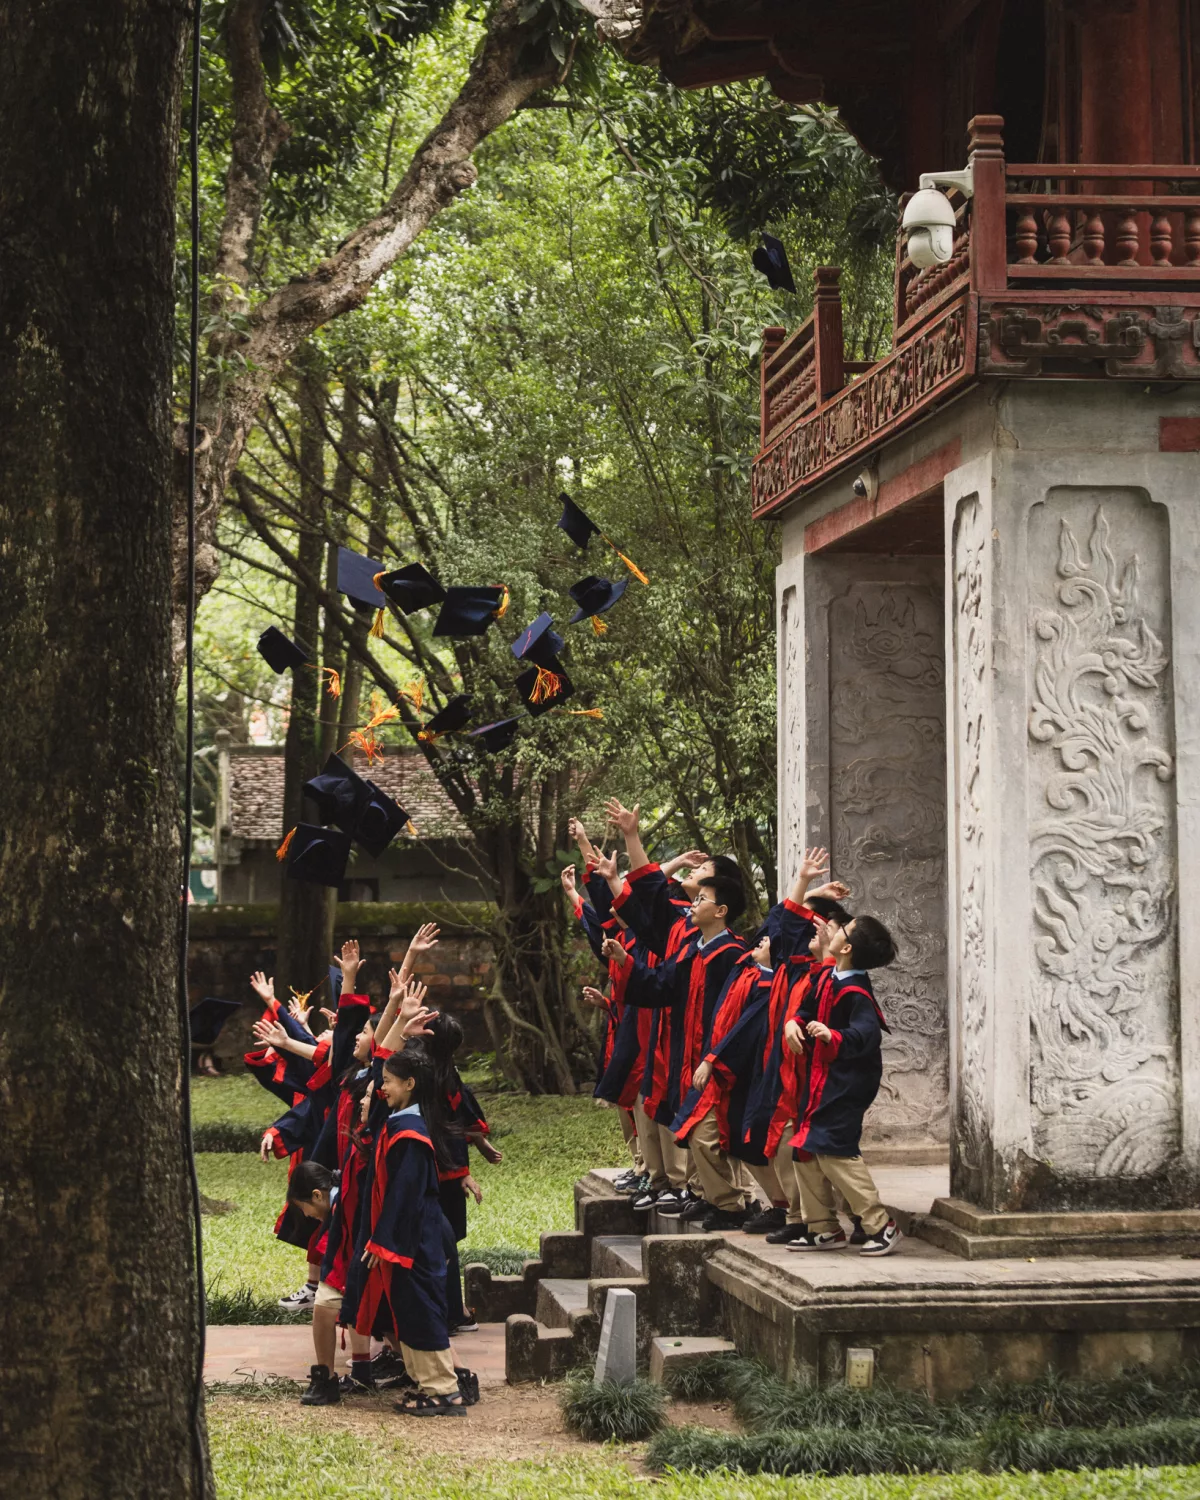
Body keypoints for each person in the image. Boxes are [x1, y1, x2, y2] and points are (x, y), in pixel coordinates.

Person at [600, 862, 749, 1226]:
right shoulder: (693, 952)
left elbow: (736, 1016)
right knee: (695, 1131)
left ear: (721, 910)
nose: (692, 904)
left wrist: (714, 1057)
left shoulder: (733, 954)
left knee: (711, 1134)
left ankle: (731, 1202)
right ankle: (708, 1196)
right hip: (689, 1054)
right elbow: (660, 985)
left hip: (718, 1058)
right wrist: (625, 961)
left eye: (701, 899)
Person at [351, 1046, 469, 1415]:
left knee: (421, 1310)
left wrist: (384, 1241)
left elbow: (405, 1195)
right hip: (410, 1238)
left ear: (410, 1084)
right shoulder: (401, 1122)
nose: (382, 1088)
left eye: (388, 1081)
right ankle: (427, 1384)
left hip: (416, 1240)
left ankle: (444, 1391)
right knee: (408, 1309)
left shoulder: (411, 1135)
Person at [785, 911, 902, 1256]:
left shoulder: (855, 991)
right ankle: (823, 1228)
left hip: (848, 1082)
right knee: (805, 1149)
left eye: (843, 929)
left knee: (834, 1150)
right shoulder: (829, 977)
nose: (835, 929)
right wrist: (794, 1023)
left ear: (846, 947)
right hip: (822, 1078)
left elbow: (866, 1035)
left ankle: (881, 1225)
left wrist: (831, 1034)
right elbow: (806, 1009)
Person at [425, 1009, 502, 1337]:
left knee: (442, 1246)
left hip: (440, 1174)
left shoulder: (432, 1080)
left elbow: (453, 1128)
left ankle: (451, 1313)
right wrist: (479, 1144)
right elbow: (463, 1122)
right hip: (445, 1173)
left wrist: (463, 1170)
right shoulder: (444, 1076)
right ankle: (451, 1312)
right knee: (443, 1245)